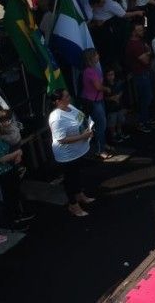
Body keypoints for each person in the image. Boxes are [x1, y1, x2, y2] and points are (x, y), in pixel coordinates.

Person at [48, 89, 96, 218]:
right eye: (66, 96)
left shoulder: (70, 107)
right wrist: (83, 136)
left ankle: (80, 195)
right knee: (69, 180)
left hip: (77, 151)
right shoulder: (56, 118)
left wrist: (88, 129)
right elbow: (61, 139)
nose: (69, 98)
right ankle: (73, 205)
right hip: (67, 155)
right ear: (58, 101)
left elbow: (81, 118)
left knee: (76, 175)